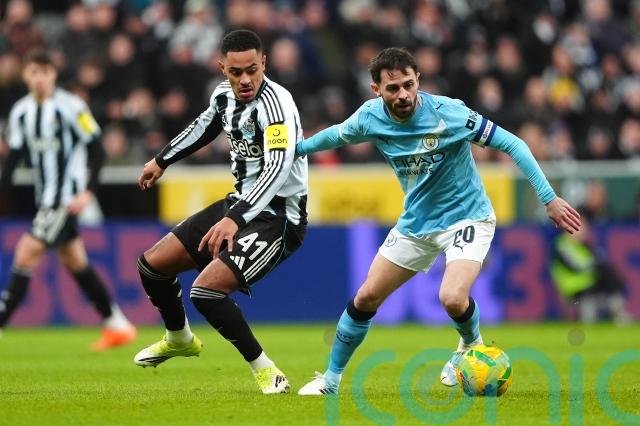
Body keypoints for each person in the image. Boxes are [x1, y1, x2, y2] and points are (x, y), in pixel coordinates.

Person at [295, 47, 581, 395]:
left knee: (452, 297)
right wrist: (297, 150)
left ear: (418, 80)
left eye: (408, 85)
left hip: (468, 217)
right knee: (366, 297)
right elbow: (336, 134)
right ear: (376, 89)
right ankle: (331, 381)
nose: (403, 94)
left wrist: (549, 199)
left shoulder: (450, 114)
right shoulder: (369, 118)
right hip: (417, 224)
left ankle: (469, 345)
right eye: (393, 88)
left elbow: (513, 144)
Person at [133, 29, 307, 395]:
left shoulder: (277, 106)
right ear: (222, 68)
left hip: (279, 216)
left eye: (252, 70)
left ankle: (267, 372)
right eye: (235, 72)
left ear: (264, 64)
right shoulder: (223, 96)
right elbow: (204, 127)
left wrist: (234, 218)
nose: (245, 80)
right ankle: (179, 339)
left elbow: (278, 168)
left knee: (206, 292)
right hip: (240, 202)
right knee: (152, 265)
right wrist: (162, 160)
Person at [0, 49, 137, 350]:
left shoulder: (71, 106)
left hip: (66, 198)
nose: (39, 78)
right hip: (45, 198)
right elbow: (14, 158)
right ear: (25, 76)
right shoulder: (21, 111)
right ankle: (117, 324)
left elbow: (97, 150)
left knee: (26, 252)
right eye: (33, 72)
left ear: (53, 74)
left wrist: (87, 191)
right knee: (75, 262)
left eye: (44, 71)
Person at [551, 208, 631, 324]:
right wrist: (597, 263)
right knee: (604, 269)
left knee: (608, 271)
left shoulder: (585, 246)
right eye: (580, 226)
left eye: (584, 226)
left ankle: (618, 312)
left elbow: (594, 262)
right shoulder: (563, 245)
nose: (584, 230)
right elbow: (576, 267)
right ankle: (617, 312)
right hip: (575, 289)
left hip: (590, 285)